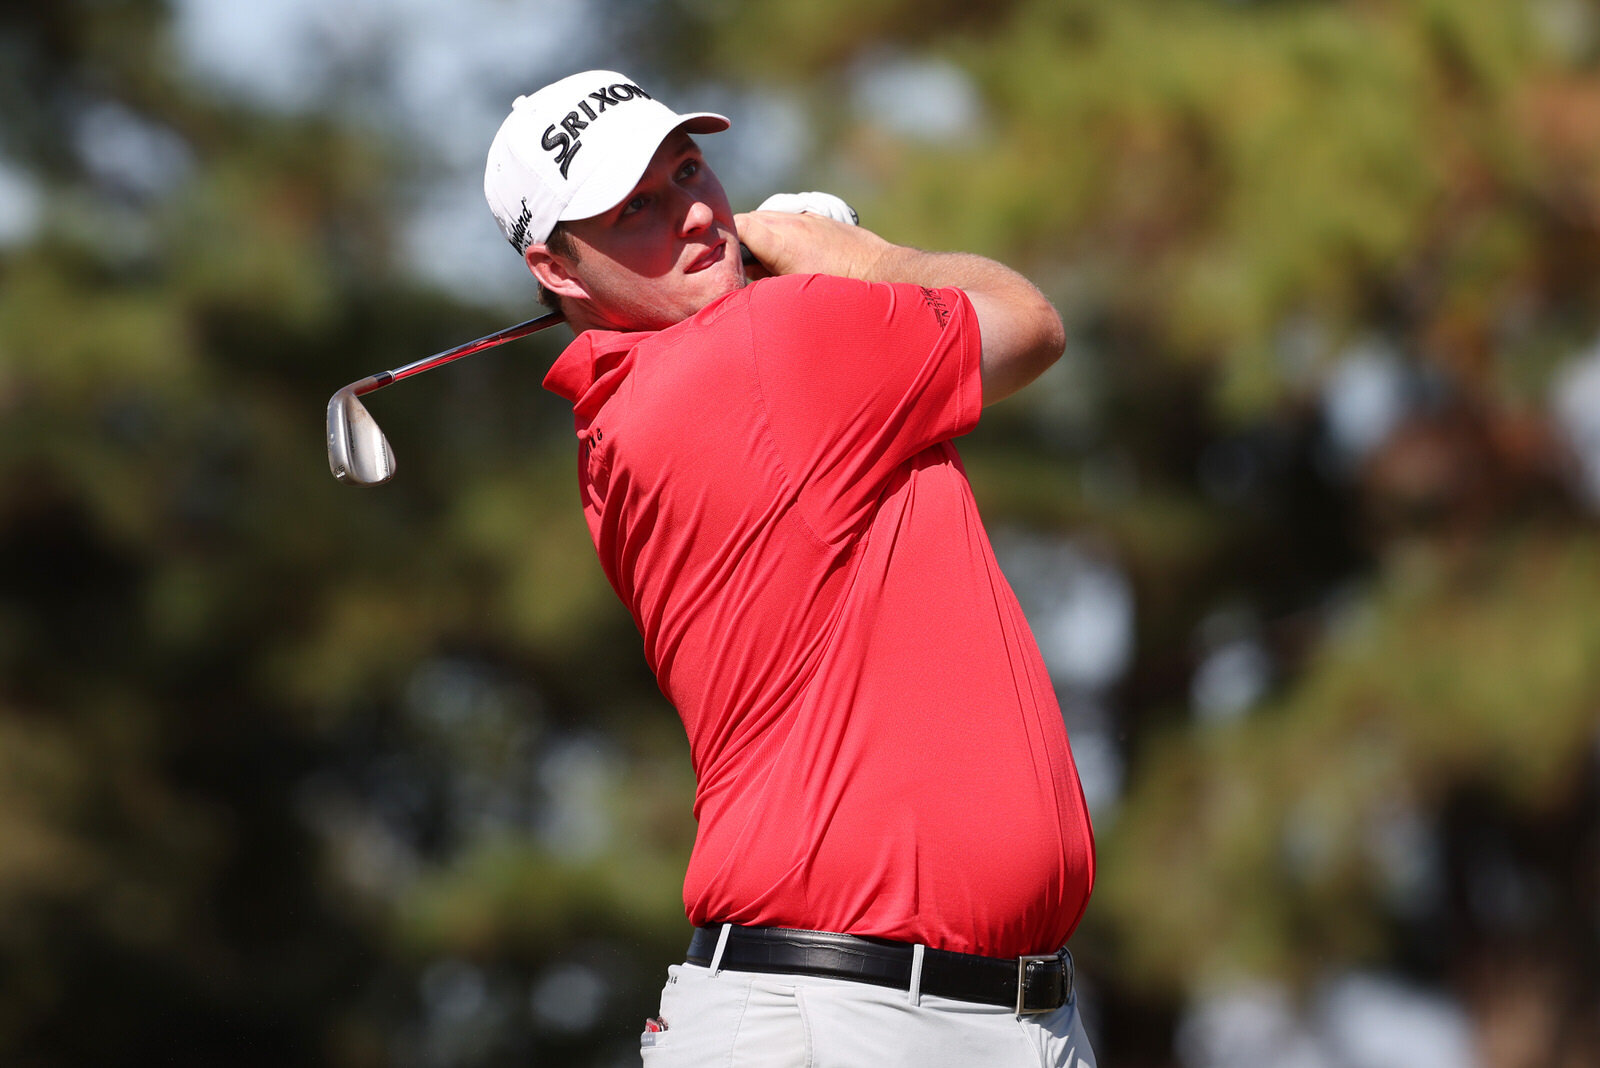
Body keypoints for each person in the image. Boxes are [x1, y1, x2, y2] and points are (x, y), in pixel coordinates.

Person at [484, 69, 1097, 1067]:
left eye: (688, 169)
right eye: (634, 207)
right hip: (843, 1017)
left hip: (965, 1014)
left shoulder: (635, 408)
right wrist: (846, 251)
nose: (691, 216)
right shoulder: (770, 344)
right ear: (556, 269)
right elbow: (1029, 322)